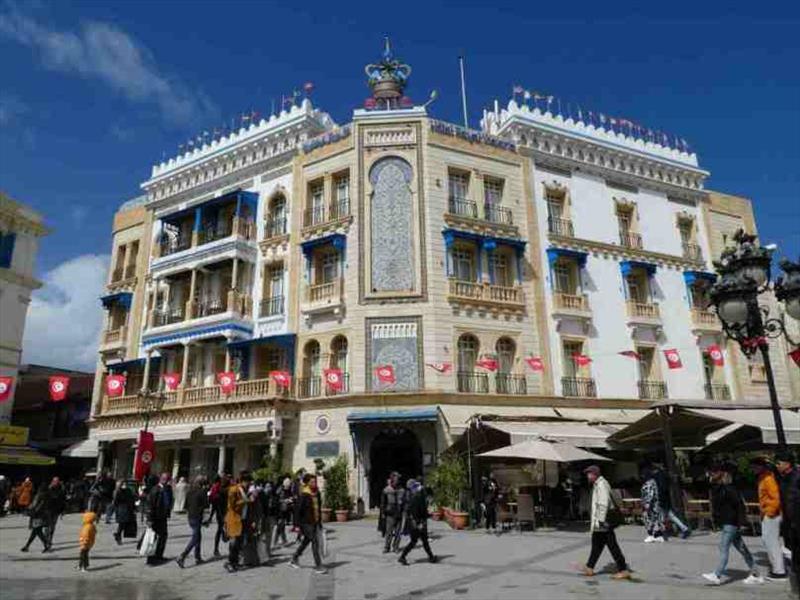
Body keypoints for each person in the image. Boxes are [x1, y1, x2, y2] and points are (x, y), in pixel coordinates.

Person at [701, 463, 763, 585]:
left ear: (721, 474)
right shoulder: (718, 487)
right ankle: (756, 574)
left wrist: (741, 522)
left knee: (723, 547)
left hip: (731, 522)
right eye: (711, 472)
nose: (711, 474)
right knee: (742, 549)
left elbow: (740, 505)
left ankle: (717, 575)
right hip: (727, 522)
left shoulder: (730, 489)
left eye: (714, 472)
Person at [581, 465, 630, 580]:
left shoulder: (601, 484)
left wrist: (600, 521)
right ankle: (589, 567)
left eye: (589, 473)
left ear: (594, 474)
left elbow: (603, 503)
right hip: (602, 520)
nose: (587, 476)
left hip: (603, 521)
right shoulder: (598, 484)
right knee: (596, 543)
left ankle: (623, 569)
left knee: (612, 545)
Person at [749, 457, 786, 580]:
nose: (752, 469)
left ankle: (779, 571)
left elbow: (776, 498)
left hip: (771, 514)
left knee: (772, 542)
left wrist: (769, 513)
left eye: (754, 466)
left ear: (761, 466)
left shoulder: (768, 478)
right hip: (768, 513)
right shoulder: (763, 477)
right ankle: (777, 567)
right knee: (768, 540)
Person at [289, 473, 327, 574]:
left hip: (315, 521)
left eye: (315, 481)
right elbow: (297, 510)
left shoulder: (317, 493)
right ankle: (318, 565)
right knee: (314, 541)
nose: (314, 483)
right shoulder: (304, 495)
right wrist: (296, 525)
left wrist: (319, 522)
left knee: (307, 541)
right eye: (312, 482)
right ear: (307, 483)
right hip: (305, 523)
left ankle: (294, 558)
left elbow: (318, 508)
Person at [398, 479, 438, 565]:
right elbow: (416, 512)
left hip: (418, 522)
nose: (429, 499)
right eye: (430, 497)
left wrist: (430, 515)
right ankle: (402, 557)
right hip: (417, 523)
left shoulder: (419, 497)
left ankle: (431, 557)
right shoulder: (418, 498)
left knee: (423, 541)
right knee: (414, 541)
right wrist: (419, 523)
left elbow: (422, 512)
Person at [776, 451, 800, 588]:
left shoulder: (797, 478)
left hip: (797, 522)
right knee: (795, 557)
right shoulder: (784, 478)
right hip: (790, 524)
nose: (777, 465)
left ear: (788, 464)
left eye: (779, 462)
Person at [652, 464, 691, 539]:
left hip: (661, 499)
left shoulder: (657, 476)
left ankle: (664, 532)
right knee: (669, 515)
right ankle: (683, 529)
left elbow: (659, 488)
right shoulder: (665, 474)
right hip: (666, 498)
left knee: (663, 516)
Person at [177, 476, 208, 568]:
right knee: (195, 538)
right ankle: (182, 556)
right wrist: (205, 519)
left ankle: (197, 557)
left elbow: (186, 506)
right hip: (198, 517)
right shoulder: (202, 492)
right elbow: (206, 507)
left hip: (190, 517)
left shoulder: (189, 492)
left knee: (198, 536)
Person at [224, 471, 251, 572]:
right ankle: (230, 562)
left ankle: (235, 562)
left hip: (242, 519)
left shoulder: (244, 490)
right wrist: (245, 501)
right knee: (233, 542)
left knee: (239, 542)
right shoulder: (234, 490)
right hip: (233, 519)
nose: (248, 484)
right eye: (247, 482)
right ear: (243, 481)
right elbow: (232, 506)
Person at [145, 473, 172, 565]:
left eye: (167, 479)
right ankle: (151, 558)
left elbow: (168, 501)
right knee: (153, 538)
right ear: (160, 479)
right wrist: (149, 519)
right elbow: (150, 505)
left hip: (163, 517)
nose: (165, 480)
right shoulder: (155, 489)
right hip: (155, 517)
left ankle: (159, 555)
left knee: (163, 536)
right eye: (164, 478)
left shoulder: (167, 489)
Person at [21, 486, 51, 553]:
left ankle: (46, 545)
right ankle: (27, 546)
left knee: (37, 531)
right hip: (42, 515)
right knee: (36, 531)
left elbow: (36, 505)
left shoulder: (40, 495)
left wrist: (31, 511)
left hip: (37, 515)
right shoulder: (47, 496)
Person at [381, 472, 406, 554]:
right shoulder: (386, 490)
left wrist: (405, 512)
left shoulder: (402, 490)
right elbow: (383, 503)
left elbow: (405, 502)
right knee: (389, 532)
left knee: (398, 532)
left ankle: (396, 547)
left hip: (399, 514)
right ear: (391, 480)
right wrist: (383, 513)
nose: (396, 481)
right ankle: (387, 547)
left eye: (398, 479)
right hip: (390, 514)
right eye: (395, 479)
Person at [640, 465, 665, 543]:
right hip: (655, 505)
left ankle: (651, 535)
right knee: (656, 520)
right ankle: (658, 536)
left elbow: (650, 494)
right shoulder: (653, 482)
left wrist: (647, 504)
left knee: (649, 520)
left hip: (651, 506)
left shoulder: (649, 483)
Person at [207, 474, 230, 557]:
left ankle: (216, 549)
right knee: (225, 530)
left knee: (219, 530)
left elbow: (214, 506)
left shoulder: (218, 490)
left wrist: (210, 517)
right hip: (226, 513)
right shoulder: (228, 490)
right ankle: (225, 537)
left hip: (219, 513)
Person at [112, 480, 137, 545]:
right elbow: (115, 501)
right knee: (122, 523)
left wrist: (134, 508)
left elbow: (132, 499)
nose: (124, 485)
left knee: (124, 523)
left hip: (128, 508)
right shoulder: (117, 491)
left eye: (125, 484)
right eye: (123, 484)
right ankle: (118, 535)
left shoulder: (128, 490)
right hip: (121, 509)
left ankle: (118, 534)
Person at [45, 476, 66, 546]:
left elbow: (63, 501)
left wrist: (63, 510)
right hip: (49, 510)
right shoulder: (49, 489)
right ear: (52, 481)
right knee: (48, 526)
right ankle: (46, 539)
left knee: (53, 526)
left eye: (57, 481)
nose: (56, 482)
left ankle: (49, 539)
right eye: (55, 481)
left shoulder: (61, 489)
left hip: (56, 511)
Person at [276, 476, 293, 547]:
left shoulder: (287, 490)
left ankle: (282, 540)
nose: (289, 486)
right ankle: (276, 541)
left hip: (285, 509)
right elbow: (278, 500)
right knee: (280, 526)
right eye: (288, 485)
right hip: (280, 510)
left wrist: (290, 499)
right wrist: (286, 500)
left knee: (282, 526)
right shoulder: (281, 490)